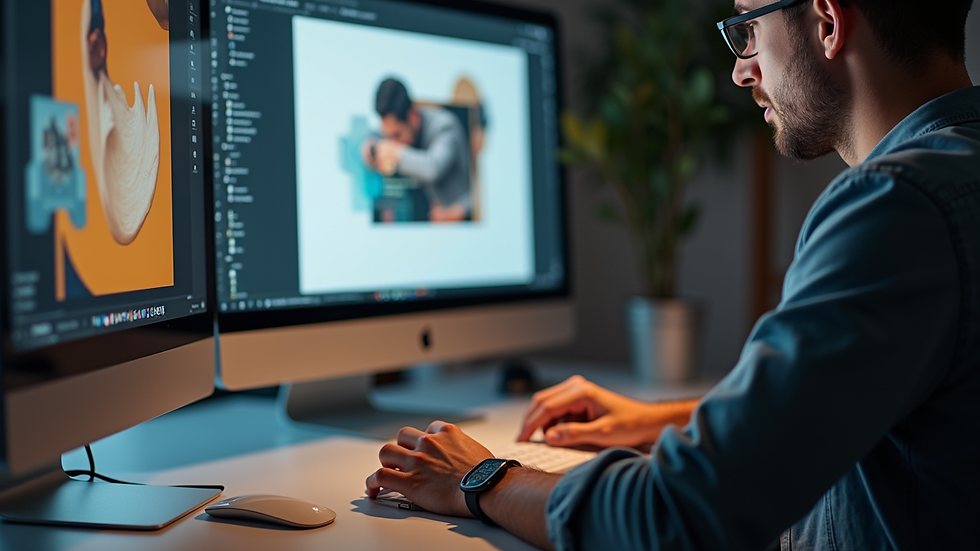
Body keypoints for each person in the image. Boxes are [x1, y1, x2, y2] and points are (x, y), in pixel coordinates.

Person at [365, 0, 979, 549]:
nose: (743, 69)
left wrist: (485, 478)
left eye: (749, 28)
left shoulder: (896, 208)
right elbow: (873, 403)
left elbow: (676, 516)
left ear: (826, 20)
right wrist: (664, 420)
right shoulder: (956, 178)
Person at [362, 78, 472, 222]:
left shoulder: (444, 126)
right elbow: (376, 136)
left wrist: (395, 152)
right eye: (388, 136)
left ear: (412, 117)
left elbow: (433, 167)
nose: (392, 142)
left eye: (397, 135)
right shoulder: (396, 124)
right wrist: (368, 148)